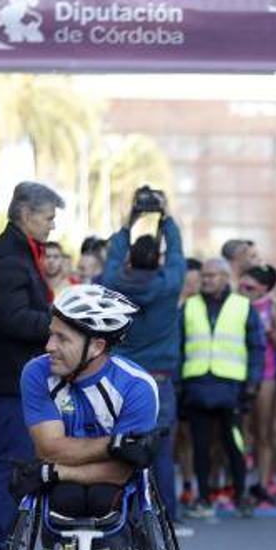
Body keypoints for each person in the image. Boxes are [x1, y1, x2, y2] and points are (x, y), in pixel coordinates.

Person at [18, 284, 156, 550]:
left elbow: (120, 470)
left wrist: (61, 471)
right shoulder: (36, 373)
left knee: (101, 498)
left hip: (106, 486)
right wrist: (111, 444)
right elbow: (49, 448)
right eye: (51, 335)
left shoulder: (137, 386)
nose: (49, 347)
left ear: (96, 346)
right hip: (63, 483)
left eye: (62, 339)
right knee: (61, 499)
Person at [0, 180, 63, 550]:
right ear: (25, 214)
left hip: (20, 377)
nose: (51, 227)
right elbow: (13, 319)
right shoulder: (10, 257)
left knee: (22, 464)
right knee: (9, 465)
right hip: (11, 378)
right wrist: (61, 326)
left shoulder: (19, 251)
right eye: (48, 218)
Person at [101, 198, 186, 520]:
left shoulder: (114, 284)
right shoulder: (168, 285)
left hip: (121, 378)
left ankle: (120, 512)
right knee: (161, 450)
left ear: (130, 260)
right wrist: (167, 220)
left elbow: (111, 257)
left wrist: (128, 222)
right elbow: (177, 255)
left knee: (120, 447)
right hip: (159, 379)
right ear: (158, 261)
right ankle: (166, 515)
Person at [179, 258, 265, 517]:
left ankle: (241, 495)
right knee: (201, 446)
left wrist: (252, 382)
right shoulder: (189, 306)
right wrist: (178, 385)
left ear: (226, 278)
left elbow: (256, 347)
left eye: (212, 276)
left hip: (232, 385)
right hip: (197, 383)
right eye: (204, 276)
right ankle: (204, 497)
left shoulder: (243, 306)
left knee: (234, 444)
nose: (206, 280)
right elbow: (180, 346)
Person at [240, 265, 276, 499]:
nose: (244, 291)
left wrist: (270, 331)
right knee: (239, 431)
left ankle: (263, 482)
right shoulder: (235, 305)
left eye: (249, 287)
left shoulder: (273, 307)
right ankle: (236, 481)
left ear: (262, 289)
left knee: (264, 431)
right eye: (241, 286)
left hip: (266, 374)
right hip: (238, 372)